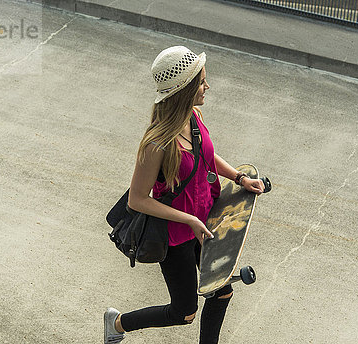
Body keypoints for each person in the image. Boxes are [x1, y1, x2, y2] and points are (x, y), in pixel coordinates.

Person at [104, 46, 264, 344]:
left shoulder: (194, 117)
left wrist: (239, 178)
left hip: (206, 222)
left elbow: (206, 156)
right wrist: (188, 219)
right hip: (177, 235)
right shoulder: (157, 144)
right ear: (185, 89)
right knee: (184, 313)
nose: (207, 86)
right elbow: (137, 200)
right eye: (202, 81)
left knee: (222, 290)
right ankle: (117, 324)